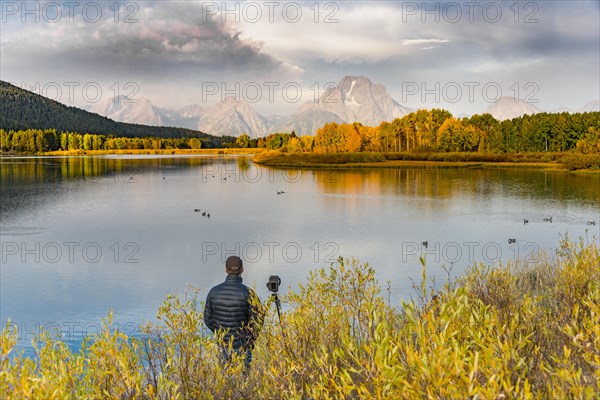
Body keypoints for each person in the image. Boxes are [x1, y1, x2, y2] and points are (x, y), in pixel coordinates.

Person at [204, 256, 262, 370]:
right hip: (243, 345)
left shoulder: (213, 292)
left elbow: (208, 320)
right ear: (242, 270)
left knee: (224, 380)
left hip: (223, 345)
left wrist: (220, 334)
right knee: (244, 381)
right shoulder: (248, 293)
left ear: (226, 270)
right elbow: (258, 320)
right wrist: (250, 338)